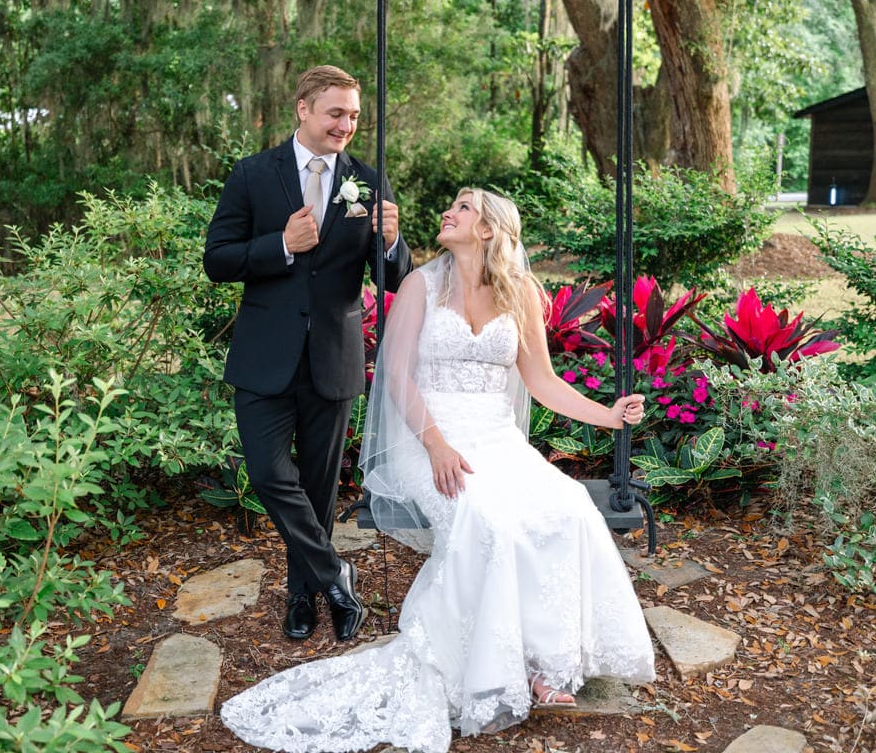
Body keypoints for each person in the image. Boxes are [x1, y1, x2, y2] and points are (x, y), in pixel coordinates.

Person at [220, 188, 655, 753]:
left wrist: (609, 416)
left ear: (490, 230)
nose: (448, 212)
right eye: (452, 204)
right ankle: (490, 665)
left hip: (497, 440)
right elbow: (396, 378)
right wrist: (436, 445)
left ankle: (546, 662)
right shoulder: (422, 284)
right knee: (489, 523)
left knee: (568, 511)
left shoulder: (520, 292)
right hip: (426, 438)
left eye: (464, 208)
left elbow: (541, 383)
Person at [204, 65, 413, 643]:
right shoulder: (252, 175)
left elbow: (394, 277)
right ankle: (335, 575)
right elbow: (217, 259)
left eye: (353, 116)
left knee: (320, 491)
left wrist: (391, 241)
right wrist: (281, 247)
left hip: (333, 357)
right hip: (264, 357)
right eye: (335, 113)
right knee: (270, 473)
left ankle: (305, 598)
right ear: (303, 109)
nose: (346, 125)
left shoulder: (369, 181)